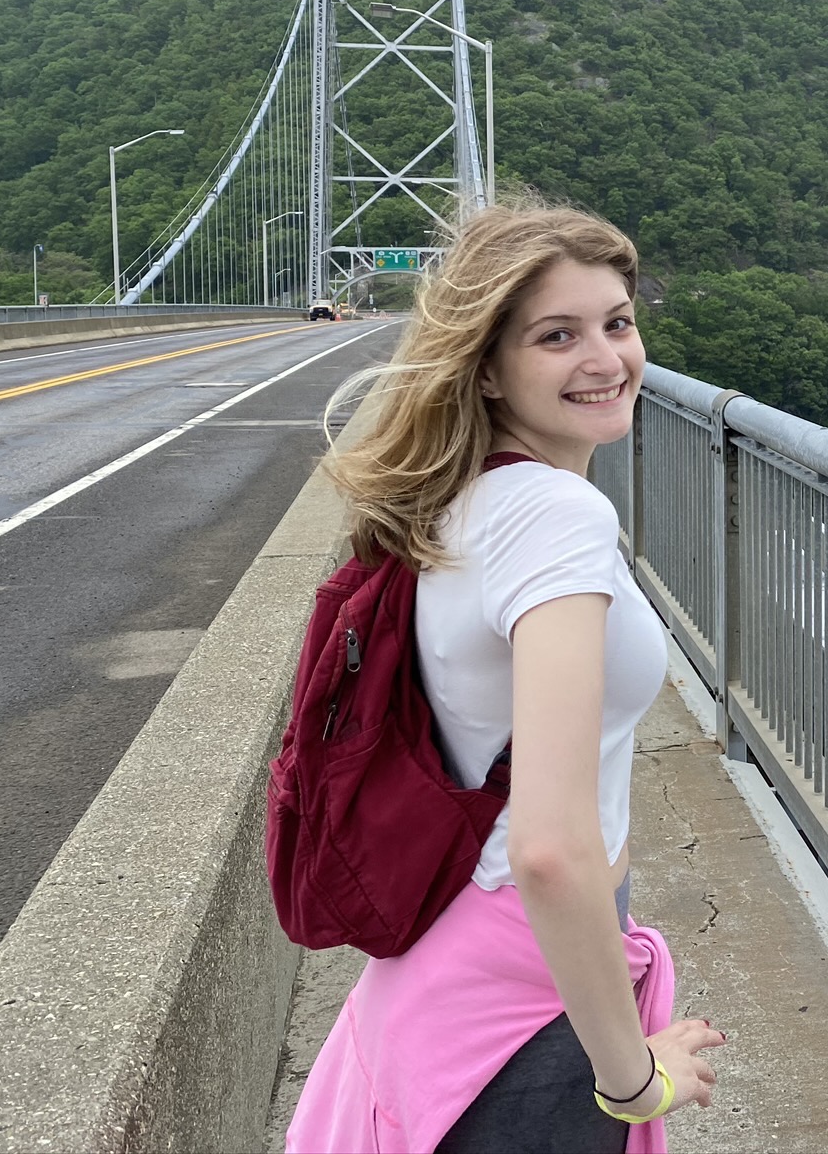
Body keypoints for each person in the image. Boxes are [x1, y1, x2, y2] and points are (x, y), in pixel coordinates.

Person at [287, 196, 724, 1153]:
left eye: (618, 322)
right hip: (523, 997)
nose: (606, 359)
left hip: (448, 968)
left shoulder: (463, 500)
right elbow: (550, 848)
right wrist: (633, 1077)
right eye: (557, 336)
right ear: (487, 369)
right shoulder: (554, 522)